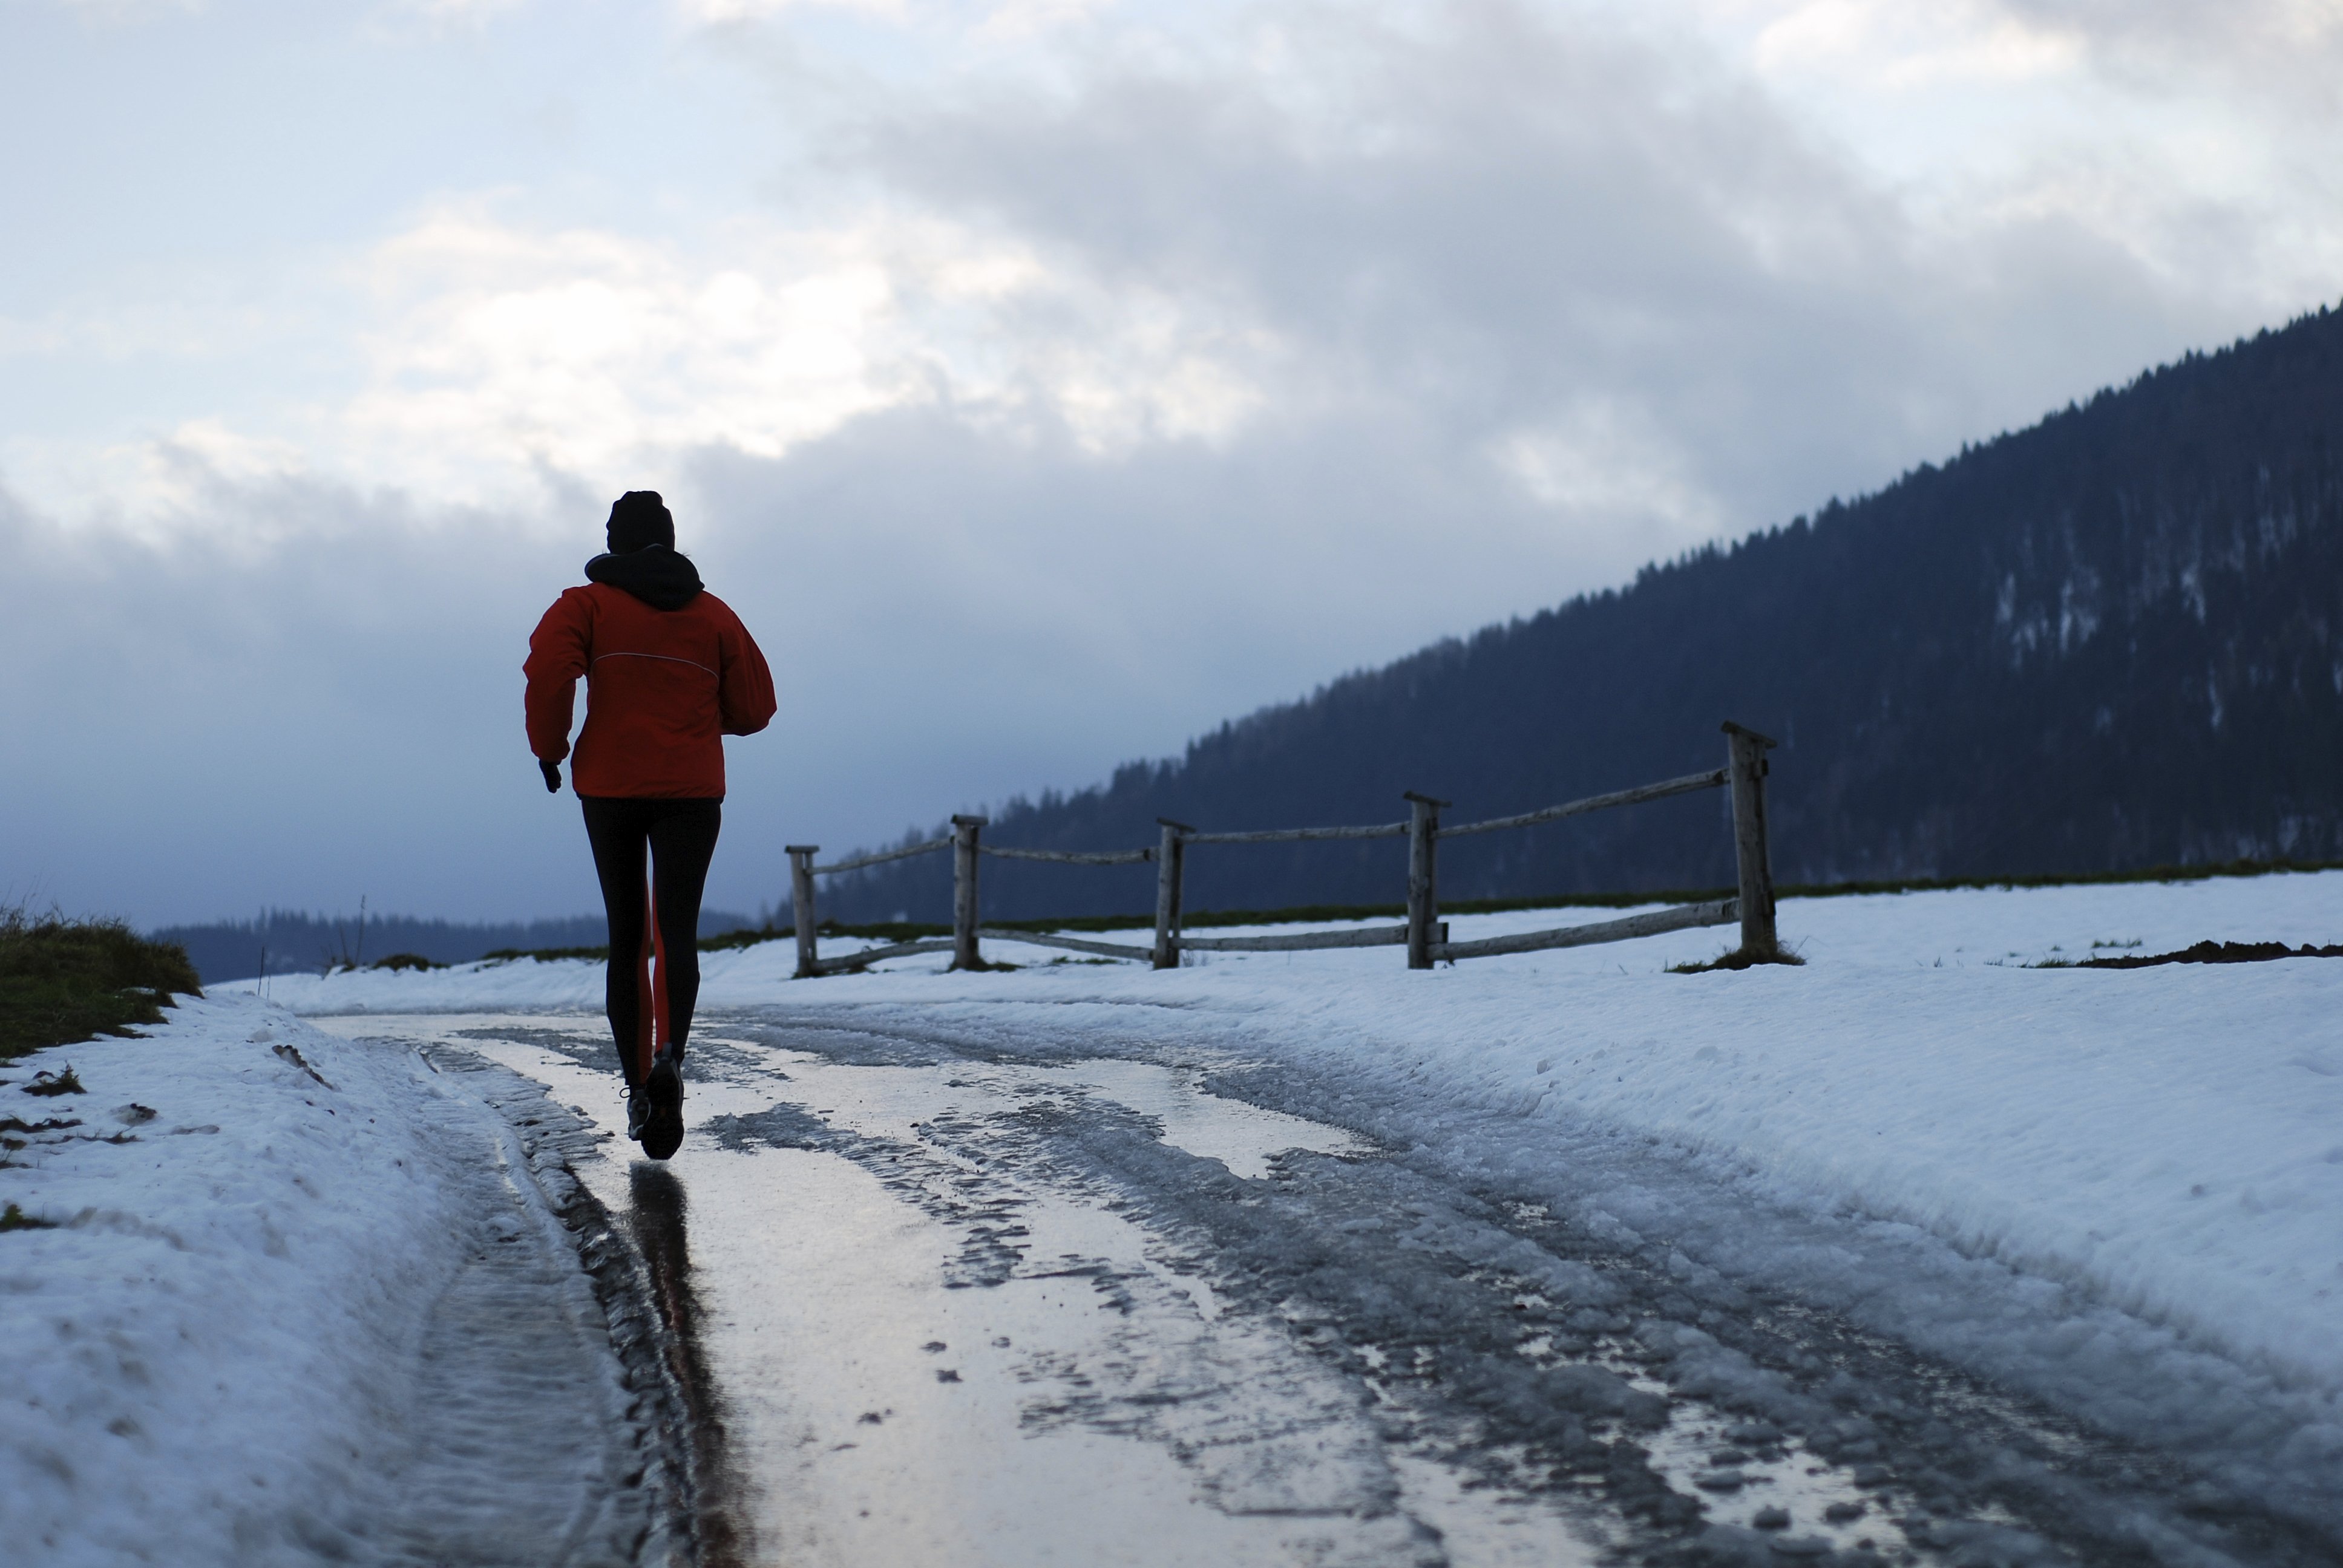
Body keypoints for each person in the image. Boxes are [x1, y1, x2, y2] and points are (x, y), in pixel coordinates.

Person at [523, 491, 776, 1159]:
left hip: (610, 787)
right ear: (667, 541)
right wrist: (691, 720)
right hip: (692, 790)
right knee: (677, 931)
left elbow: (549, 672)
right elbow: (754, 708)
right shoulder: (714, 614)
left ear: (614, 543)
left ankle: (639, 1087)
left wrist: (548, 748)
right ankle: (672, 1056)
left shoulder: (585, 606)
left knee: (628, 935)